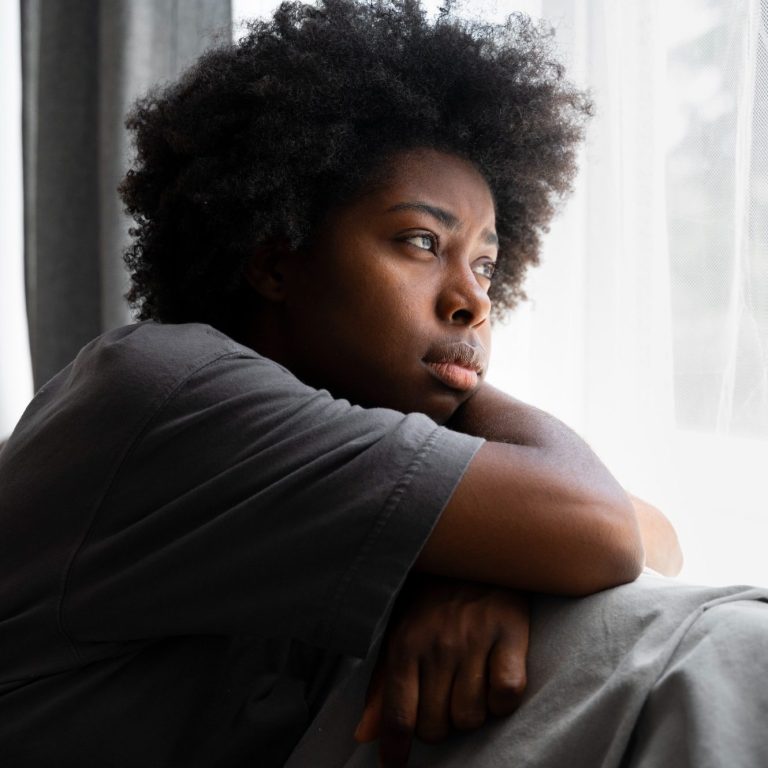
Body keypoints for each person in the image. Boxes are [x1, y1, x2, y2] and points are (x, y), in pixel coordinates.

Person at [0, 2, 765, 767]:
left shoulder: (335, 432)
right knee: (735, 645)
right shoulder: (172, 391)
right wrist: (499, 529)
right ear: (275, 261)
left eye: (487, 264)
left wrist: (485, 562)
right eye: (421, 242)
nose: (473, 300)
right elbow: (597, 526)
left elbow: (649, 532)